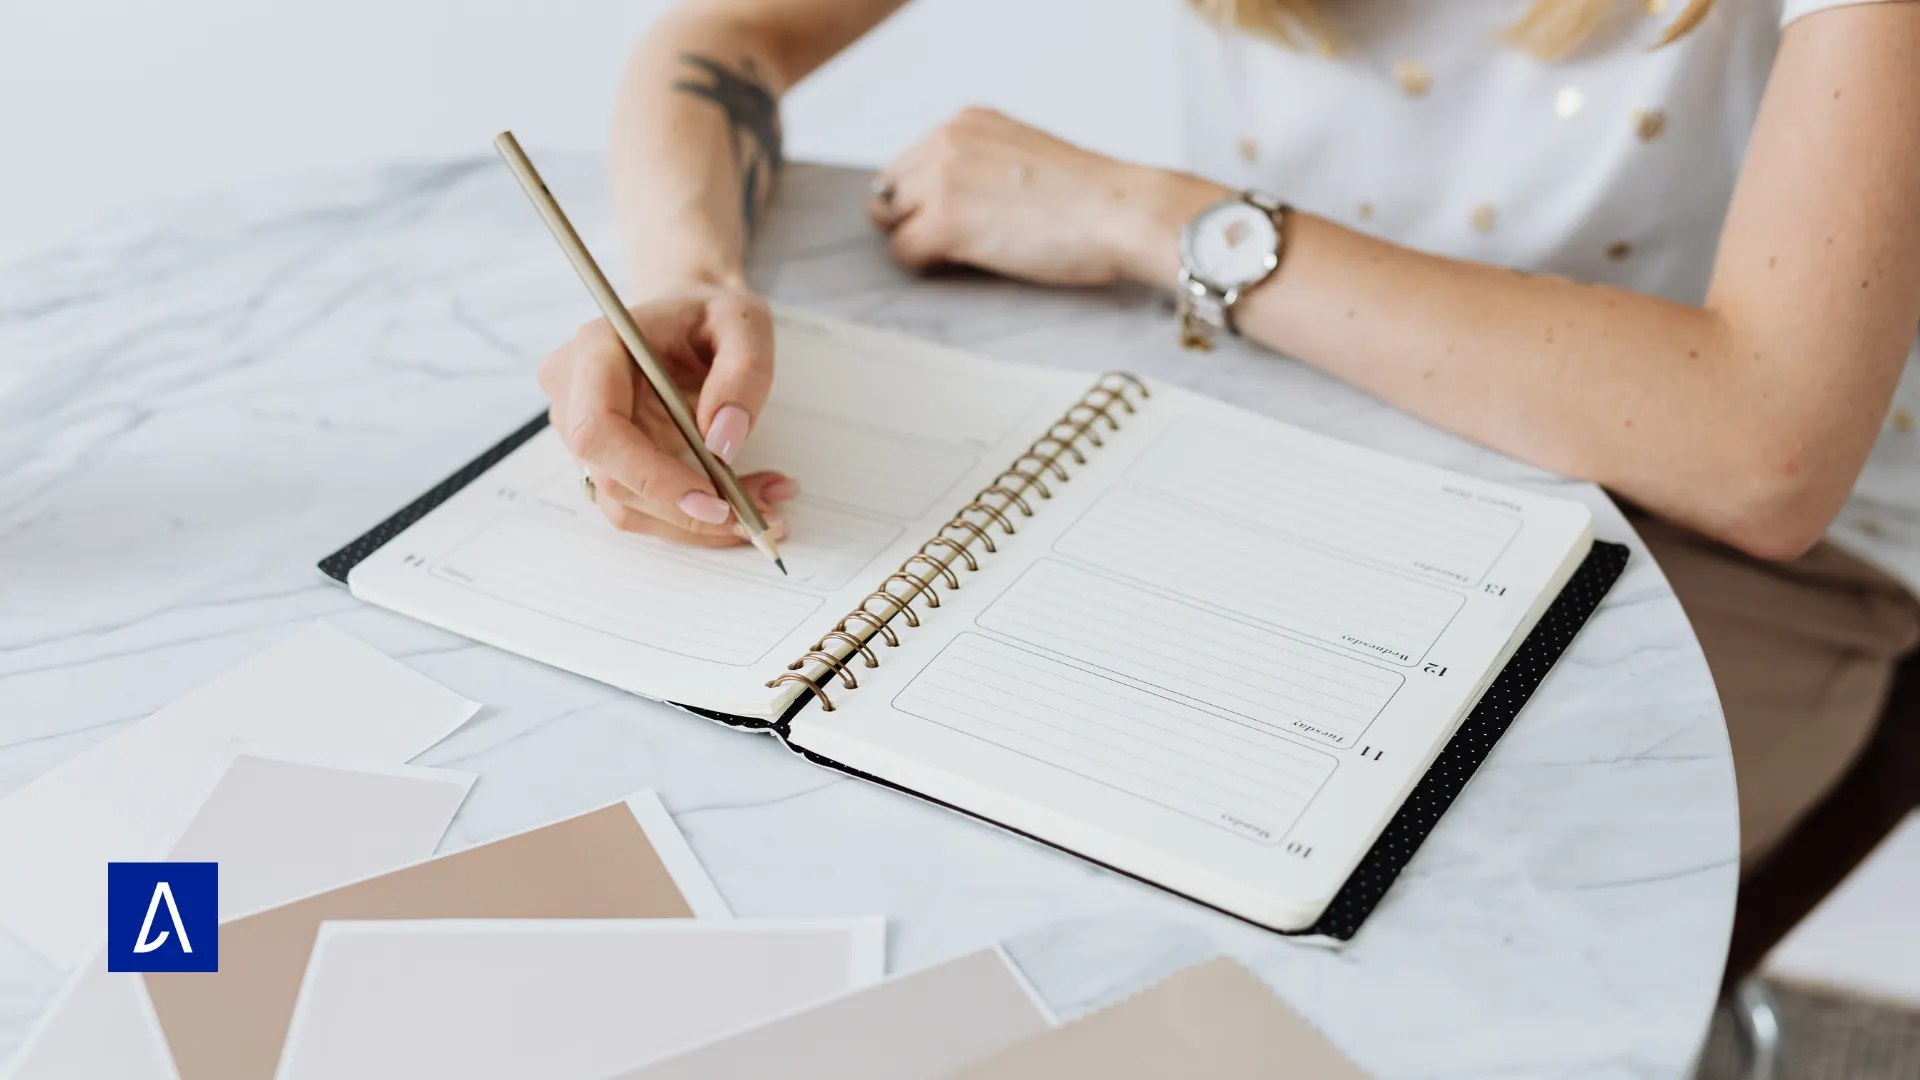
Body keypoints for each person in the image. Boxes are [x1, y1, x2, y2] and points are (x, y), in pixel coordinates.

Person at [536, 0, 1920, 869]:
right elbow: (724, 39)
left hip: (1751, 569)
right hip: (1326, 444)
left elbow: (1764, 449)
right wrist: (693, 281)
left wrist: (1149, 218)